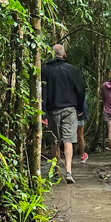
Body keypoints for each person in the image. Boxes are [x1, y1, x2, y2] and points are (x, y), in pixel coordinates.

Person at [41, 43, 86, 183]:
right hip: (69, 109)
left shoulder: (45, 70)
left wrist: (43, 112)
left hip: (52, 109)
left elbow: (42, 92)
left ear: (52, 54)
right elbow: (80, 89)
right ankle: (68, 171)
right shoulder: (71, 69)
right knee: (68, 140)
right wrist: (80, 107)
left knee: (55, 140)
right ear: (64, 54)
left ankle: (55, 171)